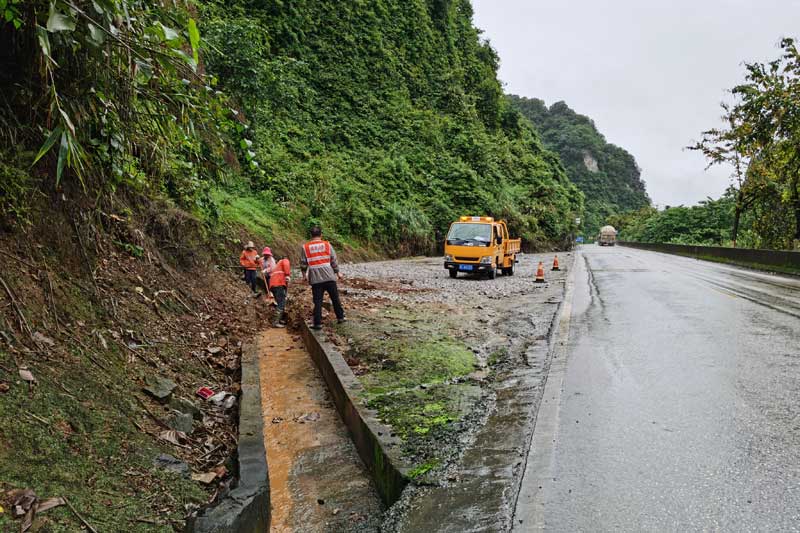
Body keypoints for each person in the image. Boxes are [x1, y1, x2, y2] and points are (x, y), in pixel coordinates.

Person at [300, 226, 345, 329]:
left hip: (315, 279)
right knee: (335, 298)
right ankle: (340, 317)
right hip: (329, 276)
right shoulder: (327, 245)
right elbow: (333, 260)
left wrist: (304, 276)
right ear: (321, 235)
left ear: (311, 235)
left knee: (318, 301)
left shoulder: (305, 247)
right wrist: (338, 273)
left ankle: (317, 323)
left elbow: (303, 263)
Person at [268, 253, 291, 327]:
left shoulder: (277, 265)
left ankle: (279, 319)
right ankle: (275, 322)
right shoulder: (284, 260)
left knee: (280, 301)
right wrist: (287, 275)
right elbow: (286, 266)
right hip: (278, 283)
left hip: (273, 284)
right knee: (281, 302)